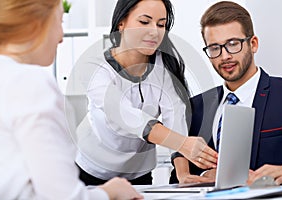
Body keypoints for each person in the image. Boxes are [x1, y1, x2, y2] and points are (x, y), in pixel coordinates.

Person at [0, 0, 143, 199]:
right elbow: (63, 196)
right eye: (60, 22)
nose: (62, 37)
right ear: (35, 24)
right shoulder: (28, 82)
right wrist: (110, 192)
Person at [75, 0, 218, 186]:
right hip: (92, 171)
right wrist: (183, 143)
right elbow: (124, 115)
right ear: (122, 23)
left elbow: (174, 116)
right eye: (144, 22)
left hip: (137, 174)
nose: (154, 31)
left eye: (161, 24)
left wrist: (183, 173)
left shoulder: (164, 66)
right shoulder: (94, 67)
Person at [170, 1, 282, 185]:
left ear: (253, 44)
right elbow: (179, 177)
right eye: (214, 48)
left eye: (233, 44)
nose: (225, 55)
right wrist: (204, 177)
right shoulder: (196, 108)